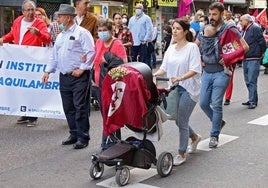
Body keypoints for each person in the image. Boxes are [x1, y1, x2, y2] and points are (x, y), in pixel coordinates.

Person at [42, 4, 95, 149]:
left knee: (80, 106)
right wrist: (48, 71)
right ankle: (74, 134)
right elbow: (54, 56)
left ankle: (83, 137)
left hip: (79, 76)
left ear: (68, 17)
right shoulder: (60, 36)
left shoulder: (81, 33)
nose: (57, 19)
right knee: (68, 107)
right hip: (64, 76)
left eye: (60, 16)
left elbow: (90, 52)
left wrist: (82, 69)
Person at [195, 2, 249, 148]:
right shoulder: (204, 29)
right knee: (204, 103)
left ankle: (214, 135)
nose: (211, 17)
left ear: (221, 14)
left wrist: (228, 58)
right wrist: (199, 59)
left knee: (216, 104)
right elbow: (195, 46)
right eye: (210, 14)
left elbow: (244, 47)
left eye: (215, 14)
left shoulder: (229, 29)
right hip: (207, 72)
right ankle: (218, 122)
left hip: (222, 72)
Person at [153, 18, 202, 166]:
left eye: (178, 28)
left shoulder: (192, 48)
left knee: (182, 120)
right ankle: (194, 137)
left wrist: (180, 77)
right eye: (173, 28)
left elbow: (195, 69)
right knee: (178, 119)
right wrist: (154, 74)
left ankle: (181, 153)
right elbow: (164, 68)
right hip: (173, 88)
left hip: (189, 88)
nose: (174, 31)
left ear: (185, 31)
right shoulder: (171, 48)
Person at [0, 0, 51, 127]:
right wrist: (3, 39)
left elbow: (47, 38)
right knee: (22, 87)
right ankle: (24, 112)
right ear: (22, 12)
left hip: (33, 60)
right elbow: (13, 34)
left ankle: (33, 116)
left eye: (32, 10)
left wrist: (38, 33)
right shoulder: (18, 21)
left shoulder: (39, 23)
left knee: (32, 87)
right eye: (27, 10)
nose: (30, 12)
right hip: (20, 59)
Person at [93, 18, 127, 150]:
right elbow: (96, 61)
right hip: (99, 85)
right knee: (106, 116)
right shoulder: (99, 42)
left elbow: (124, 63)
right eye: (99, 30)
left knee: (110, 115)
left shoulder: (117, 44)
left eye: (104, 30)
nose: (101, 33)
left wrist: (108, 60)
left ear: (111, 31)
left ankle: (106, 145)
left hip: (113, 85)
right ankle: (114, 141)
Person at [240, 14, 266, 109]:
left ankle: (252, 101)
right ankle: (253, 99)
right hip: (246, 58)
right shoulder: (245, 30)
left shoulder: (255, 28)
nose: (240, 22)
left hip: (253, 57)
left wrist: (261, 53)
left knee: (251, 80)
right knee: (248, 80)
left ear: (247, 21)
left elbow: (262, 42)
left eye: (241, 20)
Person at [128, 3, 153, 67]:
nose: (137, 9)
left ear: (142, 9)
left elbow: (149, 30)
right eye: (136, 8)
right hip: (133, 43)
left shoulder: (146, 18)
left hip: (142, 43)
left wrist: (145, 40)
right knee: (132, 60)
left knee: (143, 61)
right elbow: (129, 30)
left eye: (139, 8)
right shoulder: (132, 19)